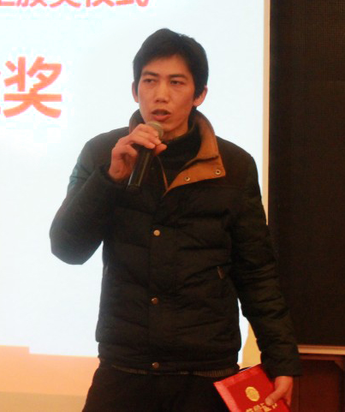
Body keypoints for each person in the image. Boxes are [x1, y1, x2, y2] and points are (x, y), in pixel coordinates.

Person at [49, 29, 300, 411]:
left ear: (200, 94)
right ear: (135, 90)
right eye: (150, 81)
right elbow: (67, 248)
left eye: (176, 82)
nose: (160, 94)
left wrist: (280, 359)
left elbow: (256, 271)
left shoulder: (233, 166)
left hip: (205, 371)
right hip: (125, 366)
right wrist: (111, 178)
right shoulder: (104, 153)